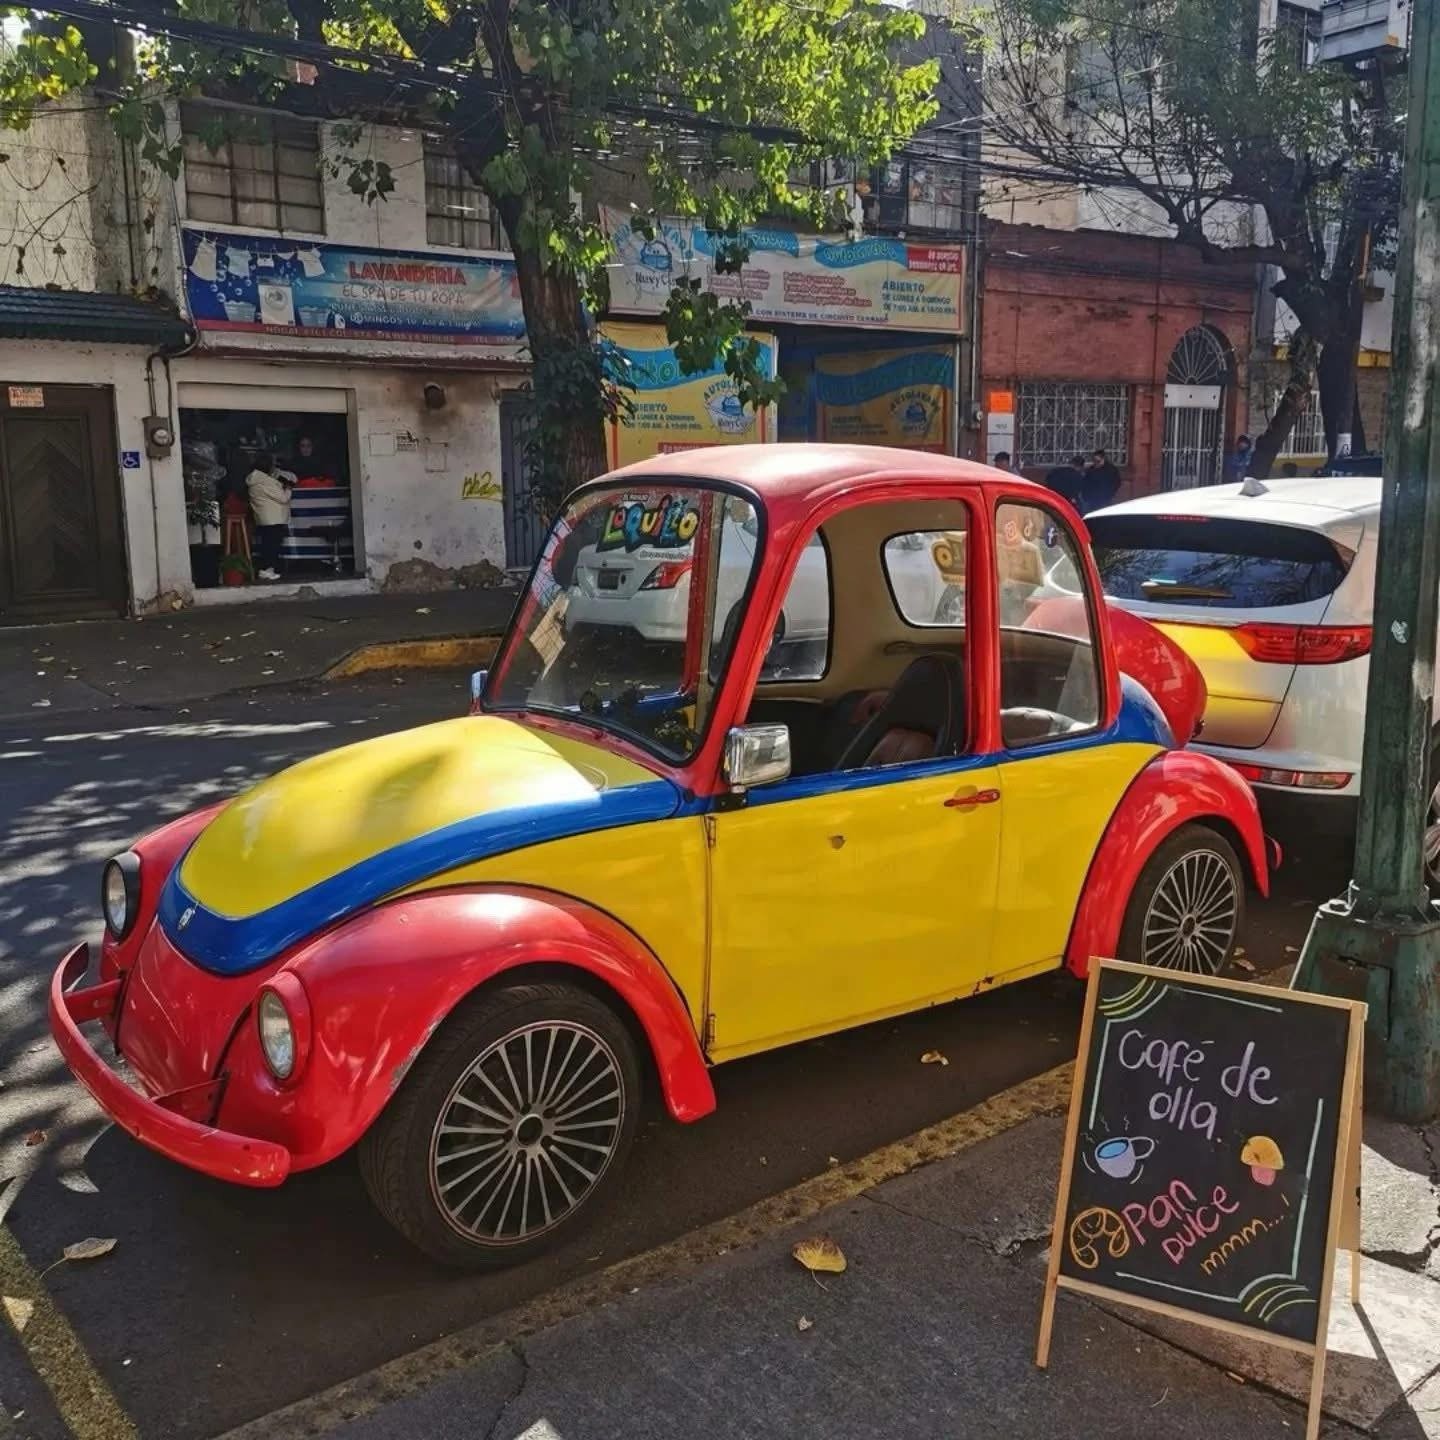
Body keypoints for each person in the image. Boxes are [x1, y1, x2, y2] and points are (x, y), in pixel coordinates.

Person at [246, 451, 295, 581]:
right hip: (274, 518)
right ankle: (267, 570)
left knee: (267, 545)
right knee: (272, 546)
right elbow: (283, 498)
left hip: (263, 518)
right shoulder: (266, 482)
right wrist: (289, 488)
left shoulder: (254, 480)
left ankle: (266, 569)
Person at [1083, 449, 1122, 513]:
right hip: (1092, 500)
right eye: (1094, 461)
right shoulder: (1091, 469)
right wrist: (1087, 496)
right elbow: (1086, 483)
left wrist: (1109, 494)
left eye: (1098, 461)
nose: (1095, 463)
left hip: (1105, 499)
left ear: (1103, 459)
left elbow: (1117, 483)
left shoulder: (1111, 470)